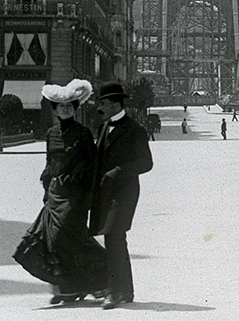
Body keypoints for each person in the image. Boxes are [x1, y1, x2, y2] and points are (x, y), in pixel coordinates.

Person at [13, 79, 107, 304]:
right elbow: (49, 163)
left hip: (75, 195)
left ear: (75, 108)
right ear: (55, 110)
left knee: (68, 236)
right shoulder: (51, 133)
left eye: (69, 106)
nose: (65, 110)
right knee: (53, 240)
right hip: (54, 193)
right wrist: (47, 189)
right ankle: (68, 287)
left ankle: (103, 279)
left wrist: (85, 193)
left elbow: (91, 165)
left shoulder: (83, 134)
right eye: (61, 107)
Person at [90, 81, 154, 309]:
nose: (100, 108)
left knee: (113, 237)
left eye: (104, 103)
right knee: (117, 239)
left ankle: (113, 292)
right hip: (106, 193)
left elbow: (146, 163)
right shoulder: (104, 127)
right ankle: (126, 289)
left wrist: (119, 171)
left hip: (125, 192)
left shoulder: (135, 129)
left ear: (117, 104)